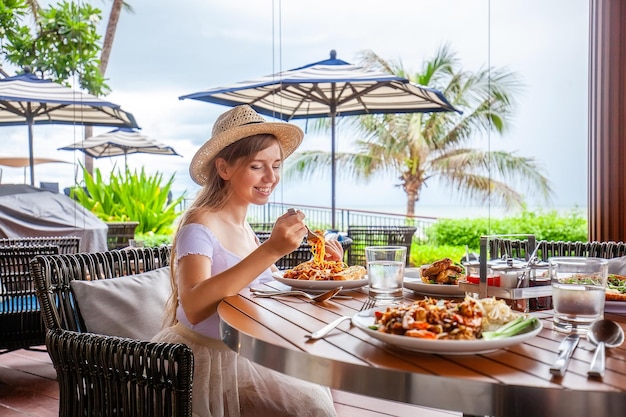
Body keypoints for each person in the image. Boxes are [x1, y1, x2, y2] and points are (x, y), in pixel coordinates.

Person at [152, 105, 341, 417]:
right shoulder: (199, 224)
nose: (270, 177)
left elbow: (270, 291)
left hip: (251, 350)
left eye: (277, 166)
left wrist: (328, 269)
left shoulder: (245, 226)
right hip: (209, 361)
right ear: (224, 169)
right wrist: (271, 250)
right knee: (311, 407)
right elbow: (195, 305)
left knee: (315, 394)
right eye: (257, 166)